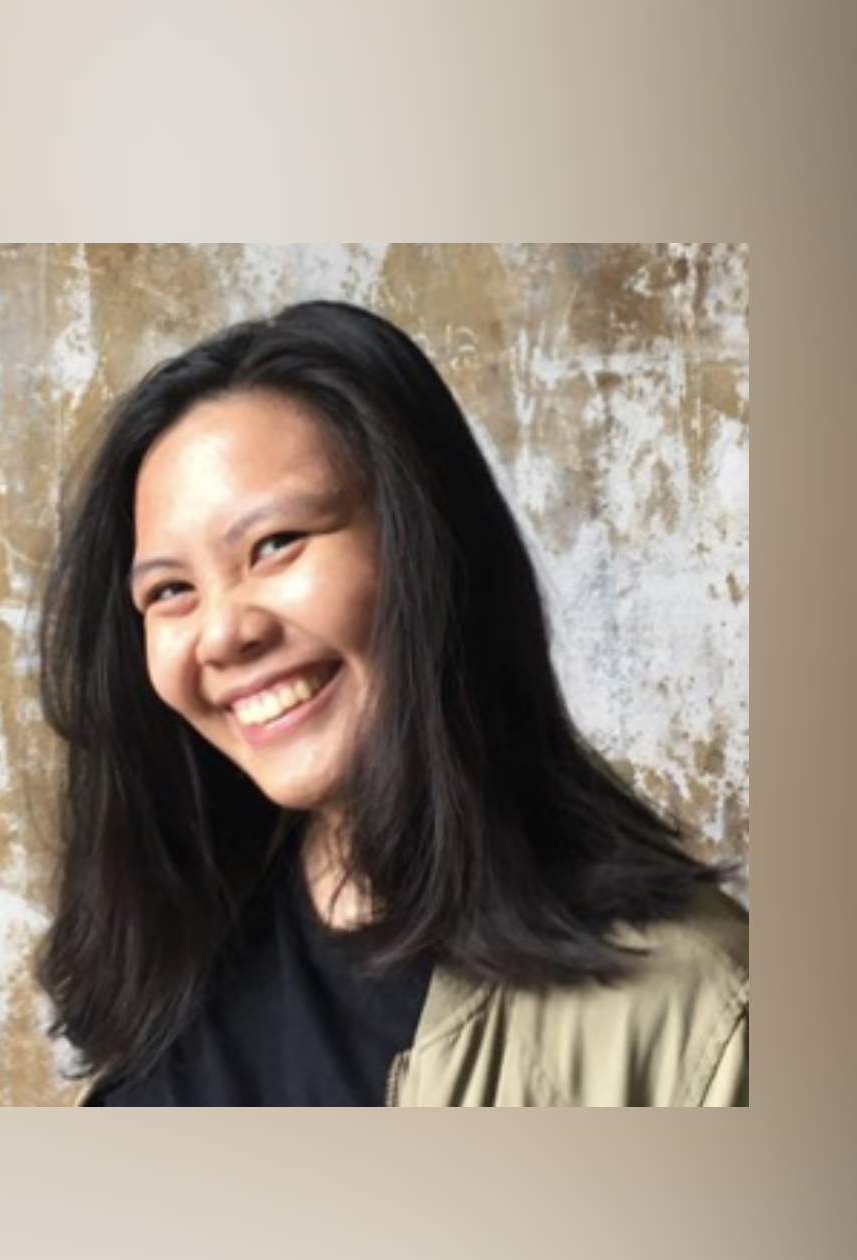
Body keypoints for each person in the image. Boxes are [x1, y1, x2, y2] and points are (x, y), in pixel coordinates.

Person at [37, 300, 749, 1108]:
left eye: (275, 544)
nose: (222, 633)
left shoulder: (693, 1010)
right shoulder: (172, 958)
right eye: (169, 591)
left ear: (426, 546)